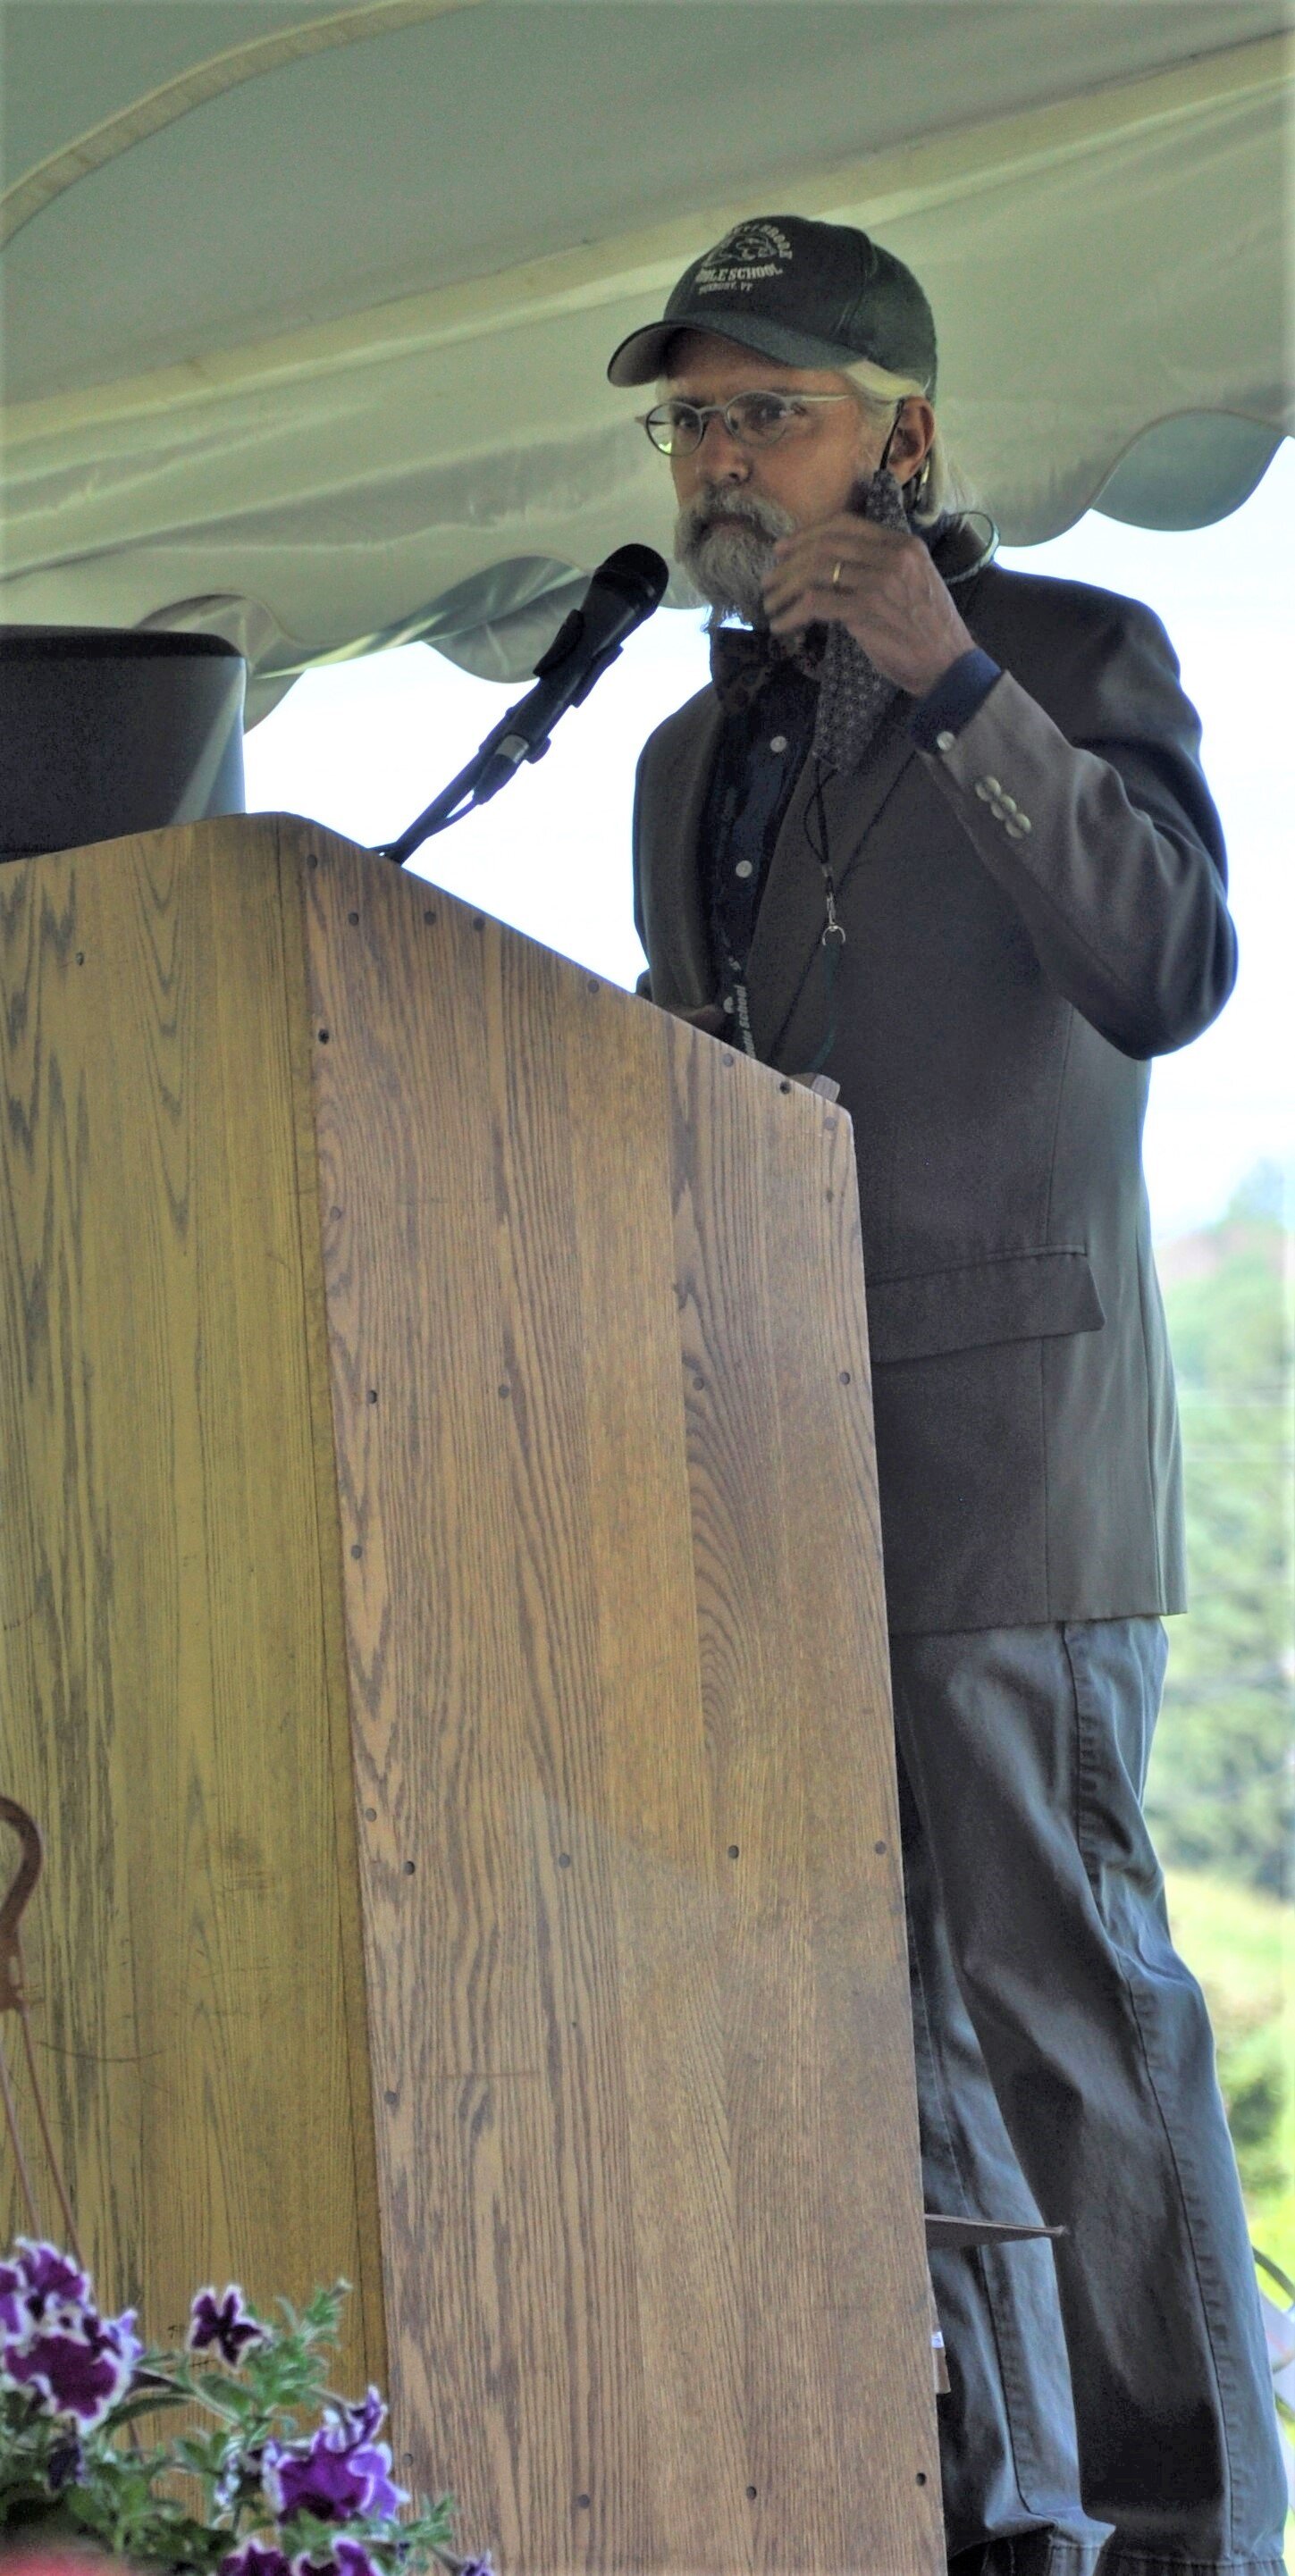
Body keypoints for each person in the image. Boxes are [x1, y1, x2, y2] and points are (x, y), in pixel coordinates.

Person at [608, 214, 1286, 2575]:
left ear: (897, 436)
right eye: (690, 417)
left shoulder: (1076, 649)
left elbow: (1164, 963)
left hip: (1009, 1465)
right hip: (773, 1476)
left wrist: (952, 676)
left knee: (1060, 2005)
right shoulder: (685, 745)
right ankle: (997, 2511)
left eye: (761, 410)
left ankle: (1189, 2529)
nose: (717, 455)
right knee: (879, 2017)